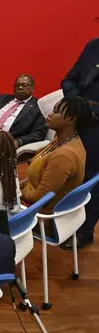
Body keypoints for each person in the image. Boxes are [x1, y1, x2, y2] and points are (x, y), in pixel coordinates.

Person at [21, 97, 93, 238]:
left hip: (42, 217)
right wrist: (18, 185)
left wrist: (16, 193)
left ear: (71, 120)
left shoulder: (64, 156)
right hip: (33, 203)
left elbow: (40, 198)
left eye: (56, 111)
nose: (49, 114)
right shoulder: (61, 140)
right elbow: (36, 178)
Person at [60, 38, 99, 249]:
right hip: (81, 120)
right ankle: (66, 222)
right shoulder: (93, 46)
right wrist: (81, 106)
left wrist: (94, 111)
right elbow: (69, 80)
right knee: (75, 174)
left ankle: (85, 230)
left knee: (94, 180)